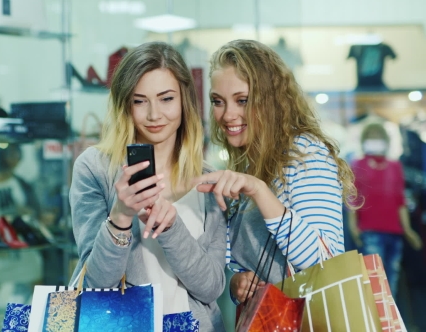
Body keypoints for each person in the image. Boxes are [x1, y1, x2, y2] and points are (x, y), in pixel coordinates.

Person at [69, 41, 227, 331]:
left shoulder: (208, 179)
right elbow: (95, 285)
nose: (154, 115)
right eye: (139, 101)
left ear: (184, 100)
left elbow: (211, 288)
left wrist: (171, 228)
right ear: (125, 105)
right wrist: (120, 217)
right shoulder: (95, 168)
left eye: (166, 99)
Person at [195, 39, 357, 304]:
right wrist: (238, 281)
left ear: (270, 100)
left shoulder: (305, 154)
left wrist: (260, 191)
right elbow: (249, 260)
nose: (227, 114)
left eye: (242, 100)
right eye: (218, 101)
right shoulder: (249, 164)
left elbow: (325, 263)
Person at [348, 122, 423, 297]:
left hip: (394, 232)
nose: (375, 140)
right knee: (375, 282)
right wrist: (353, 227)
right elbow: (353, 198)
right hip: (370, 231)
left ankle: (390, 323)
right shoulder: (358, 164)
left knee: (392, 281)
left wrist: (408, 230)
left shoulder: (395, 166)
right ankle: (375, 322)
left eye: (378, 136)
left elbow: (400, 200)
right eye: (371, 136)